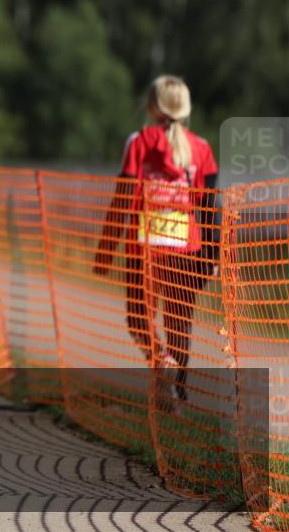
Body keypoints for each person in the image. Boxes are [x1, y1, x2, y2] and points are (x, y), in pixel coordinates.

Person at [93, 75, 218, 413]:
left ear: (151, 107)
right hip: (186, 249)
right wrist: (214, 253)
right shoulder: (202, 148)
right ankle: (177, 390)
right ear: (187, 108)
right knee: (179, 321)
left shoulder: (138, 142)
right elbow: (209, 207)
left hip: (144, 247)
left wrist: (105, 251)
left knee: (138, 319)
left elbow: (123, 198)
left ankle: (160, 361)